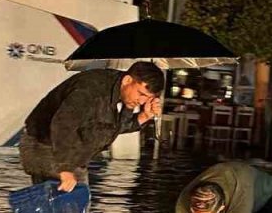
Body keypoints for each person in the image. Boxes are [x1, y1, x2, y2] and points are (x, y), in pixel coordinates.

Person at [20, 61, 164, 191]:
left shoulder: (125, 96)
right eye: (141, 94)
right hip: (44, 146)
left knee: (75, 208)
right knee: (64, 206)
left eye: (148, 98)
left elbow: (112, 129)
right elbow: (63, 123)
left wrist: (144, 116)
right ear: (127, 80)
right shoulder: (91, 90)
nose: (142, 101)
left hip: (72, 156)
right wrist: (64, 168)